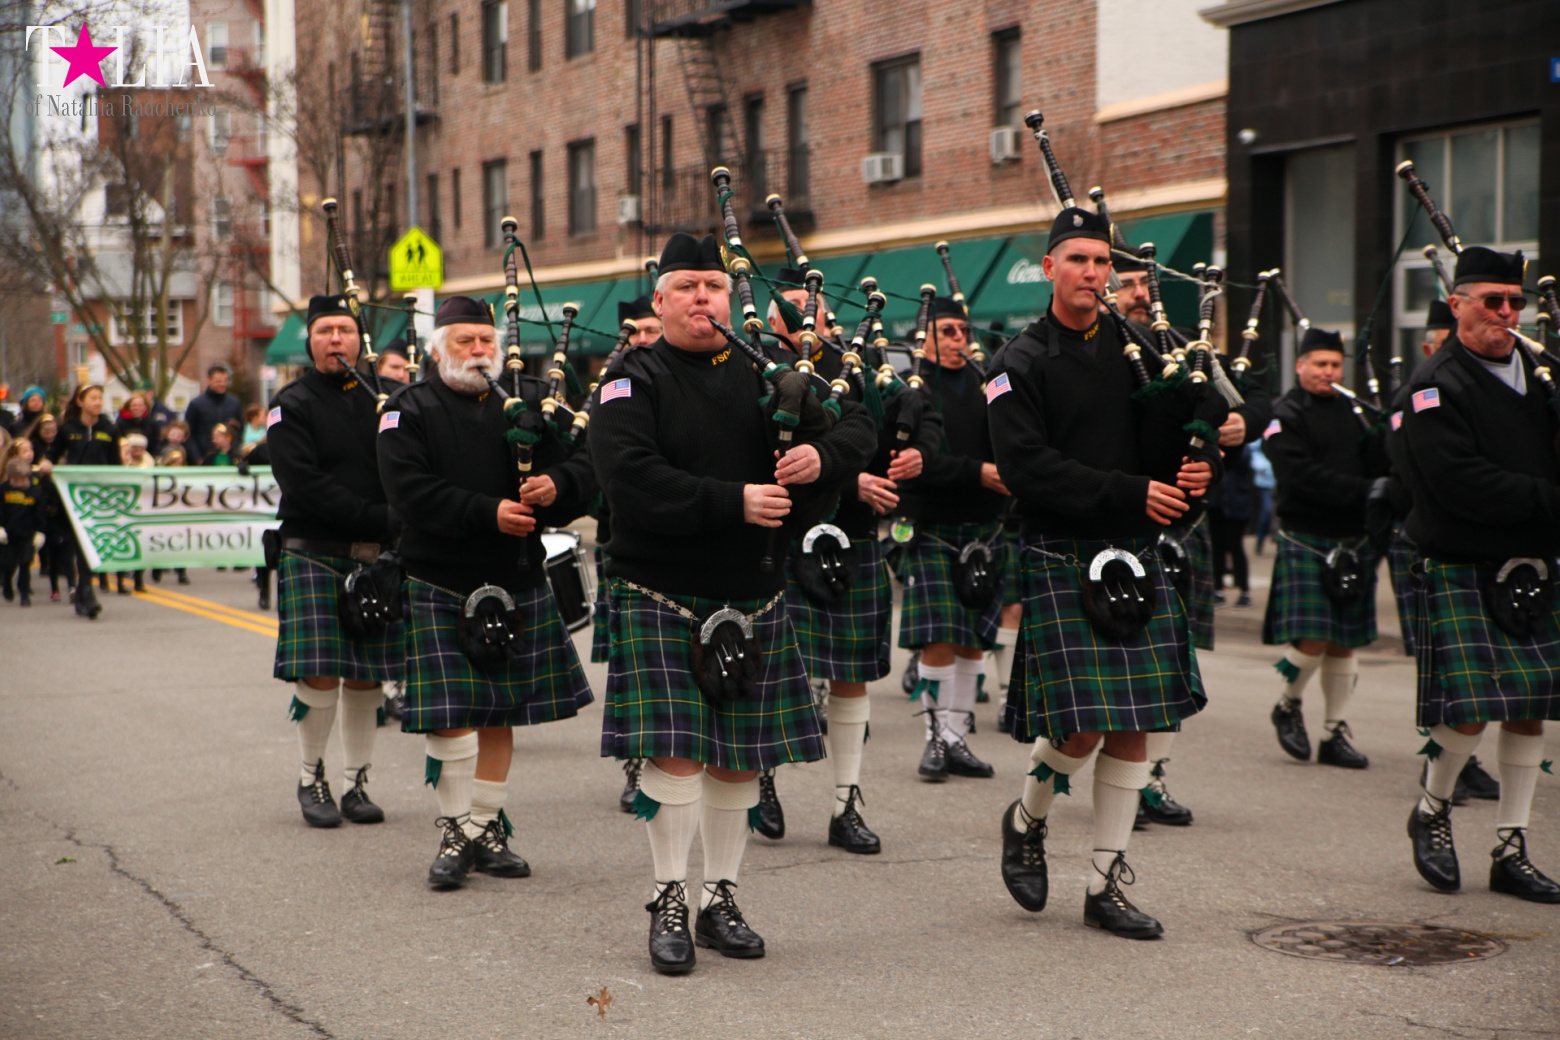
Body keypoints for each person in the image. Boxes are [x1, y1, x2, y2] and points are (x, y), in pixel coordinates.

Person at [590, 233, 875, 975]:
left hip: (754, 592)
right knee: (679, 756)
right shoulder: (631, 379)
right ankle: (669, 899)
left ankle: (720, 896)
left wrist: (824, 456)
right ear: (659, 299)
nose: (701, 299)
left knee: (740, 765)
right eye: (684, 286)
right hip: (662, 588)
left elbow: (858, 425)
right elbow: (629, 480)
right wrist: (732, 502)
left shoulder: (765, 376)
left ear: (729, 297)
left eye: (712, 286)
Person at [987, 206, 1215, 939]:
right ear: (1049, 267)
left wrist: (1204, 456)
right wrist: (1128, 491)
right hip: (1063, 553)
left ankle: (1105, 881)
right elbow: (1026, 469)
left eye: (1101, 261)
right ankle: (1026, 819)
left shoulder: (1139, 351)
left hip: (1137, 553)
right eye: (1077, 259)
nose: (1092, 272)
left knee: (1135, 727)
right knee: (1082, 730)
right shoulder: (1017, 363)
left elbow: (1172, 439)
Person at [379, 294, 598, 889]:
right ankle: (457, 831)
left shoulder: (526, 405)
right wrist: (486, 512)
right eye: (465, 342)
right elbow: (409, 493)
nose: (478, 352)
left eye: (485, 342)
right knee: (451, 719)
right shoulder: (408, 409)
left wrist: (557, 484)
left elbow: (586, 469)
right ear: (437, 350)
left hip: (515, 578)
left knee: (498, 712)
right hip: (440, 578)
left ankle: (481, 829)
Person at [1401, 246, 1560, 902]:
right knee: (1469, 714)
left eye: (1513, 301)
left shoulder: (1543, 374)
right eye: (1490, 300)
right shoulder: (1434, 384)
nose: (1504, 312)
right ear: (1458, 302)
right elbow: (1458, 482)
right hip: (1464, 558)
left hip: (1534, 559)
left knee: (1530, 711)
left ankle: (1510, 846)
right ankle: (1433, 809)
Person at [765, 267, 942, 852]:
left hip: (853, 540)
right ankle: (759, 779)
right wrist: (851, 480)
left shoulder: (855, 367)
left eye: (809, 305)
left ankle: (845, 805)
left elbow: (910, 412)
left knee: (850, 679)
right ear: (769, 319)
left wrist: (918, 448)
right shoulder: (752, 370)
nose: (802, 316)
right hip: (783, 539)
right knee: (771, 671)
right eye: (791, 306)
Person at [268, 294, 403, 831]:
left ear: (359, 339)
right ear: (310, 340)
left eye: (344, 330)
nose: (335, 340)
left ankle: (355, 782)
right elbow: (302, 482)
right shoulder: (291, 402)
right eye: (324, 330)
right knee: (322, 672)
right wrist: (380, 517)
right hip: (314, 551)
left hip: (376, 557)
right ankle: (311, 777)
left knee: (368, 678)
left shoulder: (389, 398)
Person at [1261, 328, 1389, 769]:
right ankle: (1287, 702)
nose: (1329, 373)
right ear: (1300, 365)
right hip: (1307, 535)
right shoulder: (1286, 413)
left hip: (1353, 538)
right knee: (1313, 637)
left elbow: (1379, 465)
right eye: (1320, 364)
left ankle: (1334, 733)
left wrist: (1386, 434)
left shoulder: (1356, 412)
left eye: (1335, 365)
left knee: (1344, 642)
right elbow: (1300, 476)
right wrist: (1368, 489)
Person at [896, 295, 1009, 783]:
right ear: (924, 337)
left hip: (985, 527)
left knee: (974, 642)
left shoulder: (989, 383)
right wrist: (977, 471)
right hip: (934, 525)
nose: (959, 339)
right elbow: (911, 466)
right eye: (947, 331)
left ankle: (958, 739)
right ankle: (934, 742)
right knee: (938, 638)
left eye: (963, 330)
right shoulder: (912, 389)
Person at [591, 295, 663, 814]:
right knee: (633, 667)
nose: (641, 338)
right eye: (632, 331)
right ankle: (636, 766)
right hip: (625, 541)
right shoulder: (613, 388)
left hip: (683, 537)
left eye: (650, 329)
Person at [52, 384, 120, 618]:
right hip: (74, 495)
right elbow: (52, 454)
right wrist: (47, 464)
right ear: (80, 401)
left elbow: (116, 465)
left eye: (100, 398)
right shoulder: (69, 428)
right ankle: (86, 592)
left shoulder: (109, 429)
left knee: (93, 543)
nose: (98, 402)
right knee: (80, 542)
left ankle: (84, 591)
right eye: (93, 398)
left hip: (100, 495)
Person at [1, 458, 46, 606]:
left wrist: (40, 532)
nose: (19, 483)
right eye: (15, 480)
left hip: (27, 534)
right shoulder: (3, 490)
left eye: (22, 480)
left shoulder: (35, 493)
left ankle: (24, 594)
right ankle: (7, 585)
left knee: (25, 563)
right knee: (8, 564)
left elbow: (40, 514)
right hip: (8, 534)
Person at [184, 364, 244, 463]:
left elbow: (240, 430)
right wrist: (197, 457)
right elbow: (189, 434)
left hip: (230, 459)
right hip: (204, 458)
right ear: (209, 380)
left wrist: (235, 452)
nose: (222, 384)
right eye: (218, 381)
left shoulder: (234, 403)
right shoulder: (196, 404)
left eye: (225, 380)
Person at [1251, 440, 1275, 554]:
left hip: (1283, 481)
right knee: (1267, 510)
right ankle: (1260, 539)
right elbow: (1253, 451)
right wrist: (1267, 468)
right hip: (1266, 481)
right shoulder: (1261, 434)